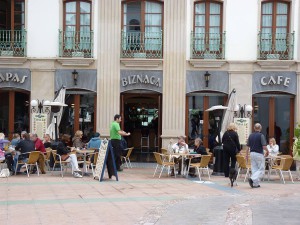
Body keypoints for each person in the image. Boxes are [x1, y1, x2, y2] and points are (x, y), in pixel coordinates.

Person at [247, 123, 269, 188]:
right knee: (261, 169)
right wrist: (268, 151)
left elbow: (247, 146)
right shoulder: (261, 135)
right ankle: (252, 178)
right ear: (260, 128)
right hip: (259, 153)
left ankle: (255, 184)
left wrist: (246, 155)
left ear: (254, 128)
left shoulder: (250, 135)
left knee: (254, 169)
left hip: (252, 153)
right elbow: (264, 146)